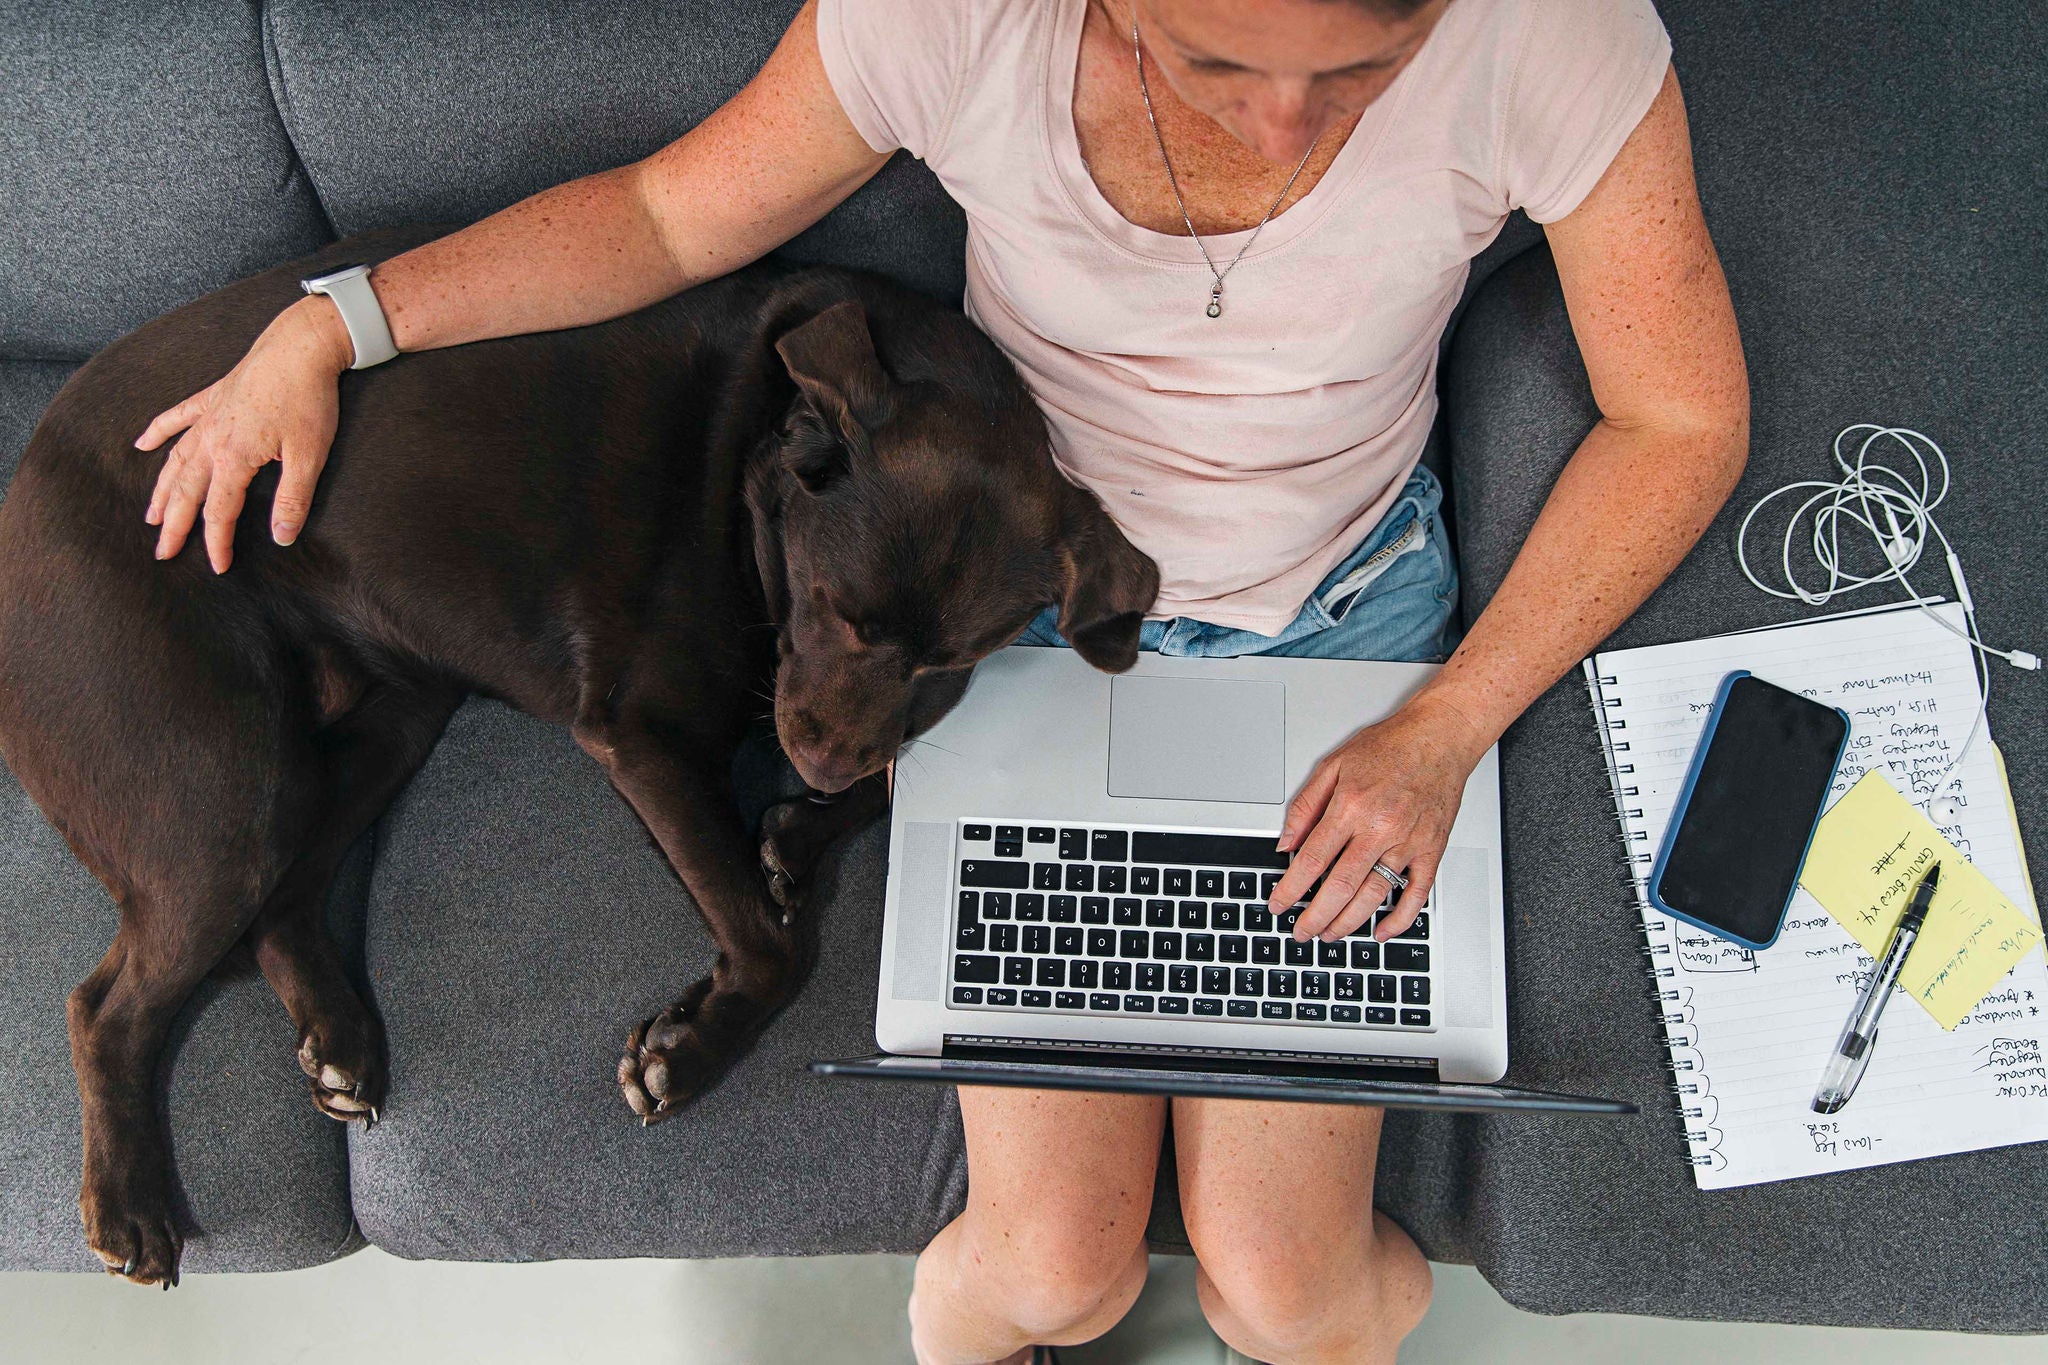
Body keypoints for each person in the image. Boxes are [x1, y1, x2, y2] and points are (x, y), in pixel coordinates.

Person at [133, 0, 1748, 1358]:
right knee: (1048, 1272)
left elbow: (1679, 417)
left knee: (1290, 1288)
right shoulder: (960, 14)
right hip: (1015, 621)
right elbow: (661, 218)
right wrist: (333, 325)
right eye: (1214, 66)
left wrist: (1448, 722)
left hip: (1340, 636)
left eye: (1358, 74)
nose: (1281, 128)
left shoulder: (1553, 34)